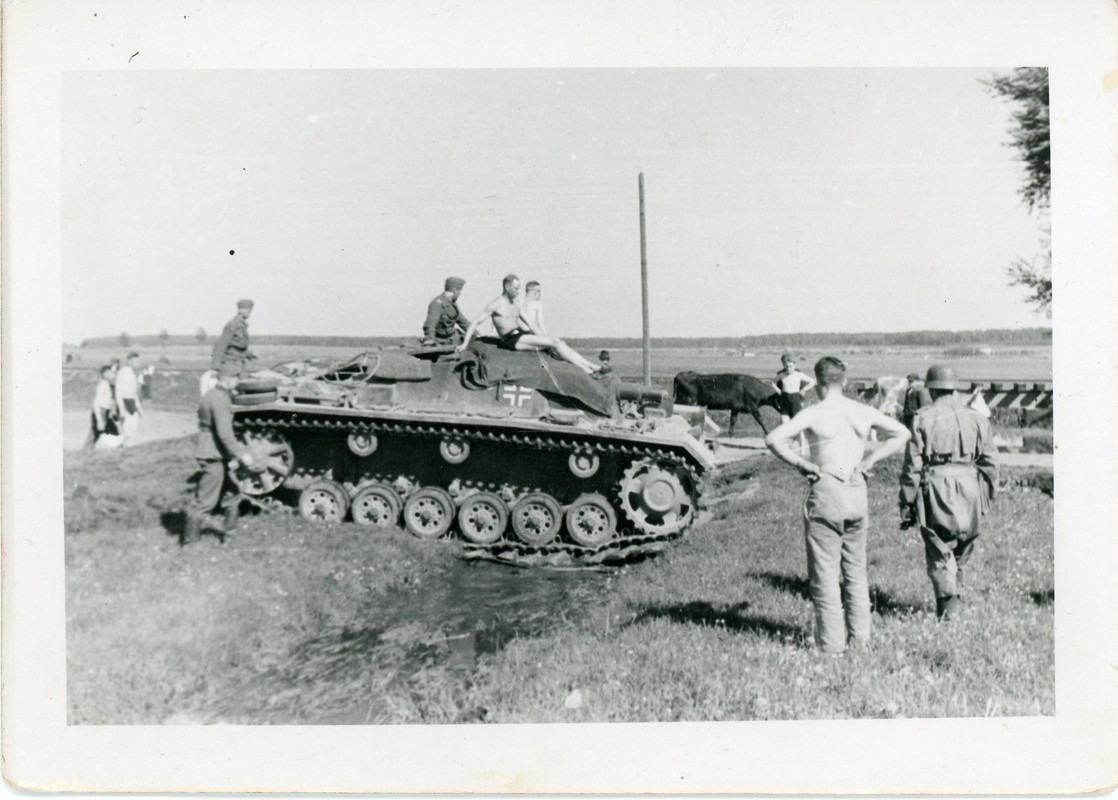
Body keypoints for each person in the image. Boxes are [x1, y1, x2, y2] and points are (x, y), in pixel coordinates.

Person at [765, 356, 910, 655]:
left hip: (827, 488)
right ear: (844, 381)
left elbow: (774, 438)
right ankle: (862, 641)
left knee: (825, 574)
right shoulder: (862, 410)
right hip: (857, 490)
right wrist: (871, 460)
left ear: (817, 383)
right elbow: (902, 433)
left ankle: (831, 647)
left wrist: (801, 464)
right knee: (856, 571)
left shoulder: (814, 412)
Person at [899, 365, 998, 622]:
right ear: (955, 388)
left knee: (938, 550)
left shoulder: (922, 417)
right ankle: (955, 609)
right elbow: (990, 464)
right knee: (962, 552)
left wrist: (907, 501)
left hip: (937, 486)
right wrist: (985, 500)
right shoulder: (976, 417)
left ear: (930, 389)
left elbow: (912, 466)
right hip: (970, 486)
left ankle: (948, 617)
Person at [456, 275, 605, 376]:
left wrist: (543, 337)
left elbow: (531, 323)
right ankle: (589, 368)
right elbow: (475, 321)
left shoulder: (516, 304)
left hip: (520, 334)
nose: (518, 291)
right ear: (507, 287)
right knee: (554, 343)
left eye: (519, 288)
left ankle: (589, 367)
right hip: (510, 340)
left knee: (557, 342)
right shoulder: (496, 304)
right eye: (516, 288)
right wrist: (464, 344)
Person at [182, 363, 255, 545]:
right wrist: (241, 454)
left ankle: (229, 536)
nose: (238, 382)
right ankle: (190, 543)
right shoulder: (220, 399)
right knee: (206, 501)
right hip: (213, 453)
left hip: (217, 452)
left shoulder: (213, 395)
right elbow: (224, 433)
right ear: (228, 379)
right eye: (237, 378)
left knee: (232, 495)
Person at [210, 299, 256, 374]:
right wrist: (215, 367)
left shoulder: (242, 325)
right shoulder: (233, 325)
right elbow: (220, 345)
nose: (250, 311)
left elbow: (237, 346)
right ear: (240, 310)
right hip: (229, 366)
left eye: (250, 310)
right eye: (247, 309)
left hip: (239, 365)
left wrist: (249, 354)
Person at [421, 277, 468, 345]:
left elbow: (463, 322)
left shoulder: (452, 304)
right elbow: (431, 323)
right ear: (454, 290)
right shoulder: (437, 303)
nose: (460, 293)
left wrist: (476, 334)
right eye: (459, 290)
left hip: (453, 336)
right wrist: (429, 339)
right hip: (441, 339)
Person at [82, 365, 119, 450]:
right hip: (100, 413)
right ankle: (84, 453)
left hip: (105, 413)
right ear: (104, 375)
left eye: (111, 373)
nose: (111, 375)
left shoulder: (109, 384)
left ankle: (119, 452)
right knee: (93, 437)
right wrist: (99, 420)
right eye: (108, 373)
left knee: (114, 434)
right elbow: (96, 403)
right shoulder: (103, 384)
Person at [775, 354, 816, 423]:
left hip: (796, 397)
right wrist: (779, 394)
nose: (787, 367)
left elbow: (802, 385)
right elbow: (778, 385)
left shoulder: (797, 372)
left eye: (789, 365)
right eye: (783, 363)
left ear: (793, 364)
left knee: (797, 420)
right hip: (785, 398)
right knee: (784, 421)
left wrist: (802, 394)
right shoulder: (780, 374)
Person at [115, 352, 143, 446]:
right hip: (124, 402)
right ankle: (124, 450)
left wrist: (138, 407)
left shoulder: (133, 373)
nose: (137, 364)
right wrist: (121, 408)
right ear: (129, 361)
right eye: (135, 361)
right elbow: (118, 391)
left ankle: (130, 450)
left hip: (131, 402)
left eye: (138, 362)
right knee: (127, 430)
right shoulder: (123, 372)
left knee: (133, 428)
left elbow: (133, 393)